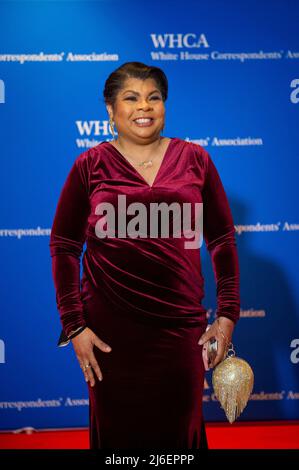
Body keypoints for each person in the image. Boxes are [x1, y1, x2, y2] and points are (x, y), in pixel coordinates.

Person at [49, 61, 240, 449]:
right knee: (119, 440)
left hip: (180, 330)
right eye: (131, 98)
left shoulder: (196, 160)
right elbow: (65, 246)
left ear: (165, 106)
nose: (144, 107)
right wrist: (75, 326)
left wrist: (227, 315)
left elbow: (221, 239)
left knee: (178, 438)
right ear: (110, 109)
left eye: (154, 98)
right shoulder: (90, 165)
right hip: (109, 335)